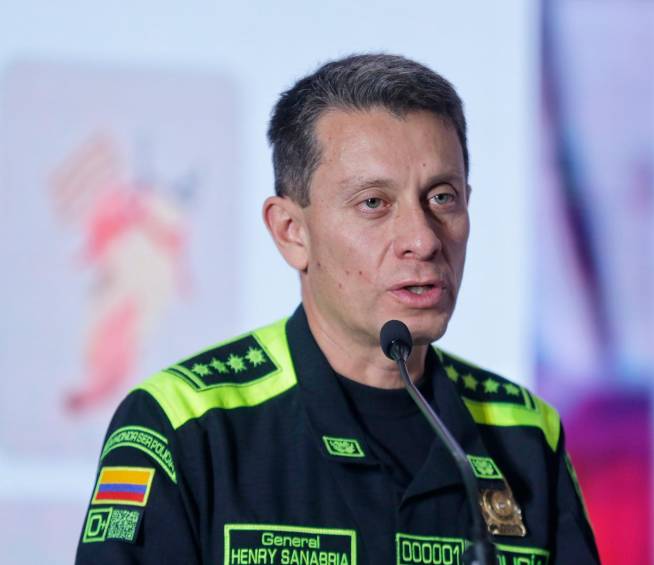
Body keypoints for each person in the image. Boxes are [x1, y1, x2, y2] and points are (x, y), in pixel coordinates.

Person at [75, 53, 600, 564]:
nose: (423, 240)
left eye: (442, 197)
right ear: (291, 232)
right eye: (373, 203)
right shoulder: (182, 424)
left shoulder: (526, 432)